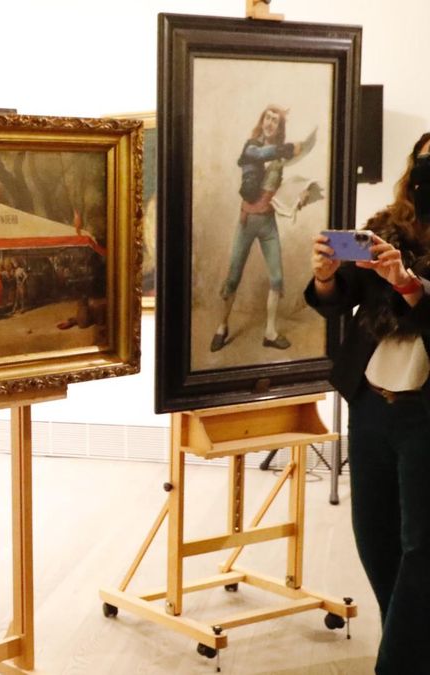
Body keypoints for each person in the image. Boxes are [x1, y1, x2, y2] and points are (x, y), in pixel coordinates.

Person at [305, 132, 430, 673]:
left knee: (420, 550)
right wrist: (326, 277)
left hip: (426, 413)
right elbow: (339, 304)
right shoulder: (385, 226)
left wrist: (411, 286)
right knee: (376, 541)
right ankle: (409, 650)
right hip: (372, 406)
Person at [211, 105, 306, 352]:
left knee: (277, 278)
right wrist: (287, 148)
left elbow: (278, 188)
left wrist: (300, 196)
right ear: (262, 119)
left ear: (279, 125)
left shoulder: (279, 157)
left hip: (268, 223)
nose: (271, 122)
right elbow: (261, 153)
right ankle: (222, 326)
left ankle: (271, 332)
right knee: (233, 276)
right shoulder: (251, 147)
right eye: (268, 117)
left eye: (276, 119)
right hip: (247, 222)